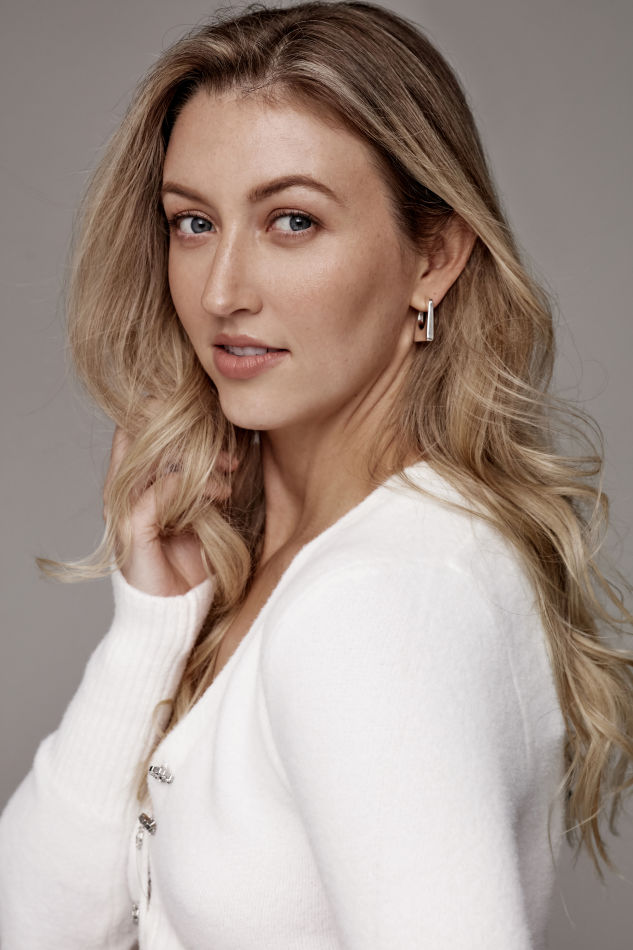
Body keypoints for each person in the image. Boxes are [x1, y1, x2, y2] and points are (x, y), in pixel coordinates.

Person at [1, 1, 632, 947]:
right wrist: (150, 627)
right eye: (192, 223)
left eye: (291, 221)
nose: (222, 291)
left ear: (433, 256)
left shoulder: (380, 598)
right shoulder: (306, 560)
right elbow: (33, 925)